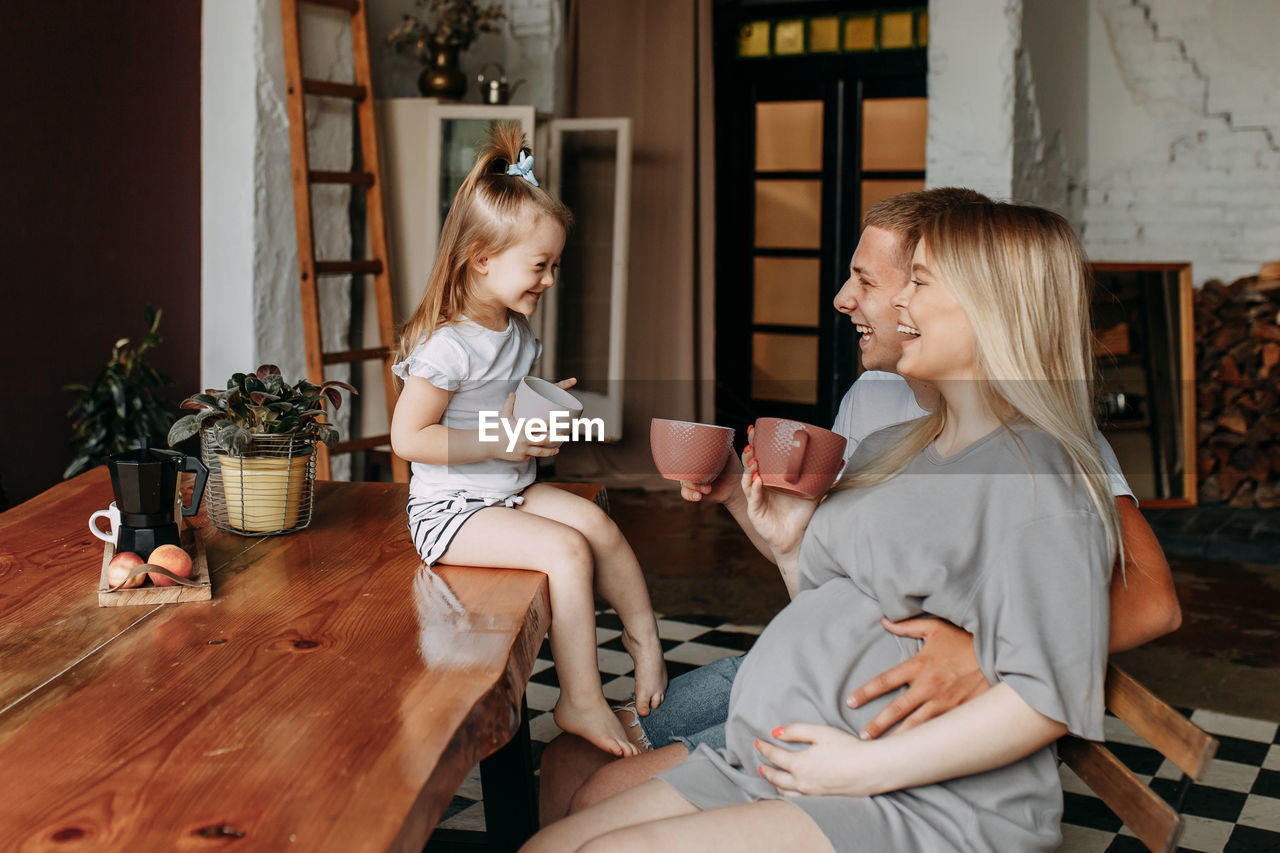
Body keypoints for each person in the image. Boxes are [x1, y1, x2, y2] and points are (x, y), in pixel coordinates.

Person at [536, 189, 1179, 820]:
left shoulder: (1036, 448)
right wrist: (740, 494)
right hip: (805, 666)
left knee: (602, 793)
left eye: (873, 281)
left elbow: (1149, 601)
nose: (845, 300)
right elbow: (833, 582)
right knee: (570, 757)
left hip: (870, 708)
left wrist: (985, 659)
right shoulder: (879, 405)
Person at [389, 123, 666, 758]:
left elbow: (497, 407)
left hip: (506, 493)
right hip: (451, 514)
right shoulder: (448, 345)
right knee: (567, 553)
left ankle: (644, 642)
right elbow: (410, 438)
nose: (548, 280)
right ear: (482, 259)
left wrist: (538, 402)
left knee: (598, 527)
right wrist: (500, 441)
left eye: (554, 266)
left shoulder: (513, 331)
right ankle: (581, 699)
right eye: (538, 266)